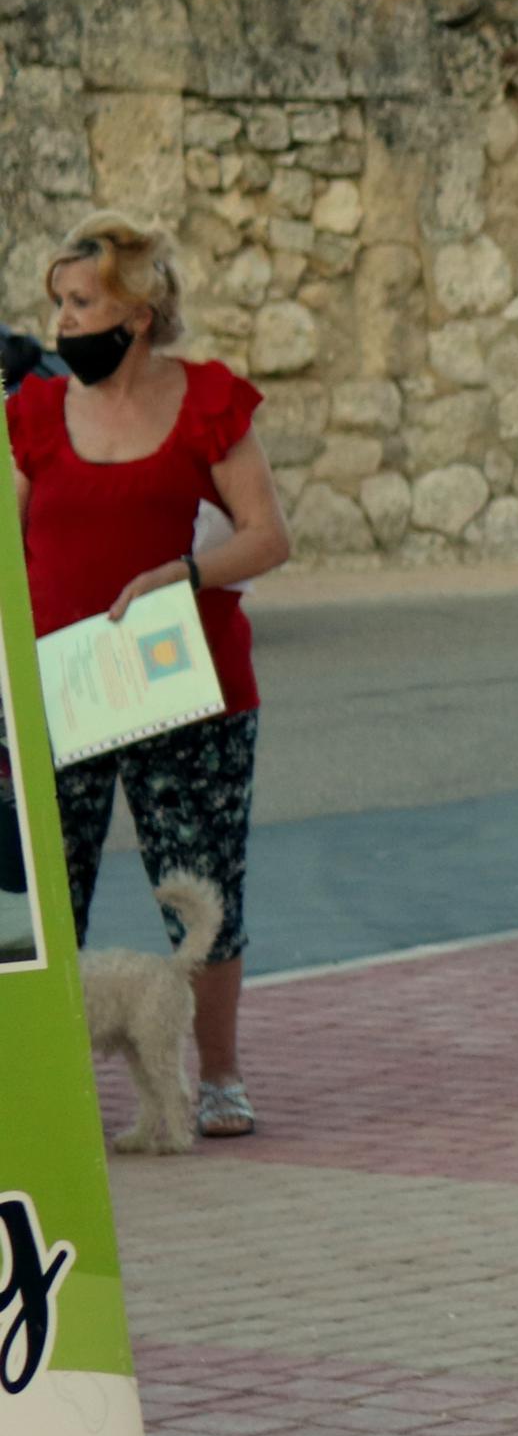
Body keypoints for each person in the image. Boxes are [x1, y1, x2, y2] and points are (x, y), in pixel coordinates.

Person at [8, 216, 293, 1133]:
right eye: (58, 302)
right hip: (64, 691)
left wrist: (188, 573)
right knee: (47, 894)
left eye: (81, 302)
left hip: (189, 692)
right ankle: (38, 1081)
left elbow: (268, 535)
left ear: (138, 313)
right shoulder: (33, 416)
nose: (63, 321)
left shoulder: (209, 402)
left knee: (203, 883)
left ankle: (220, 1079)